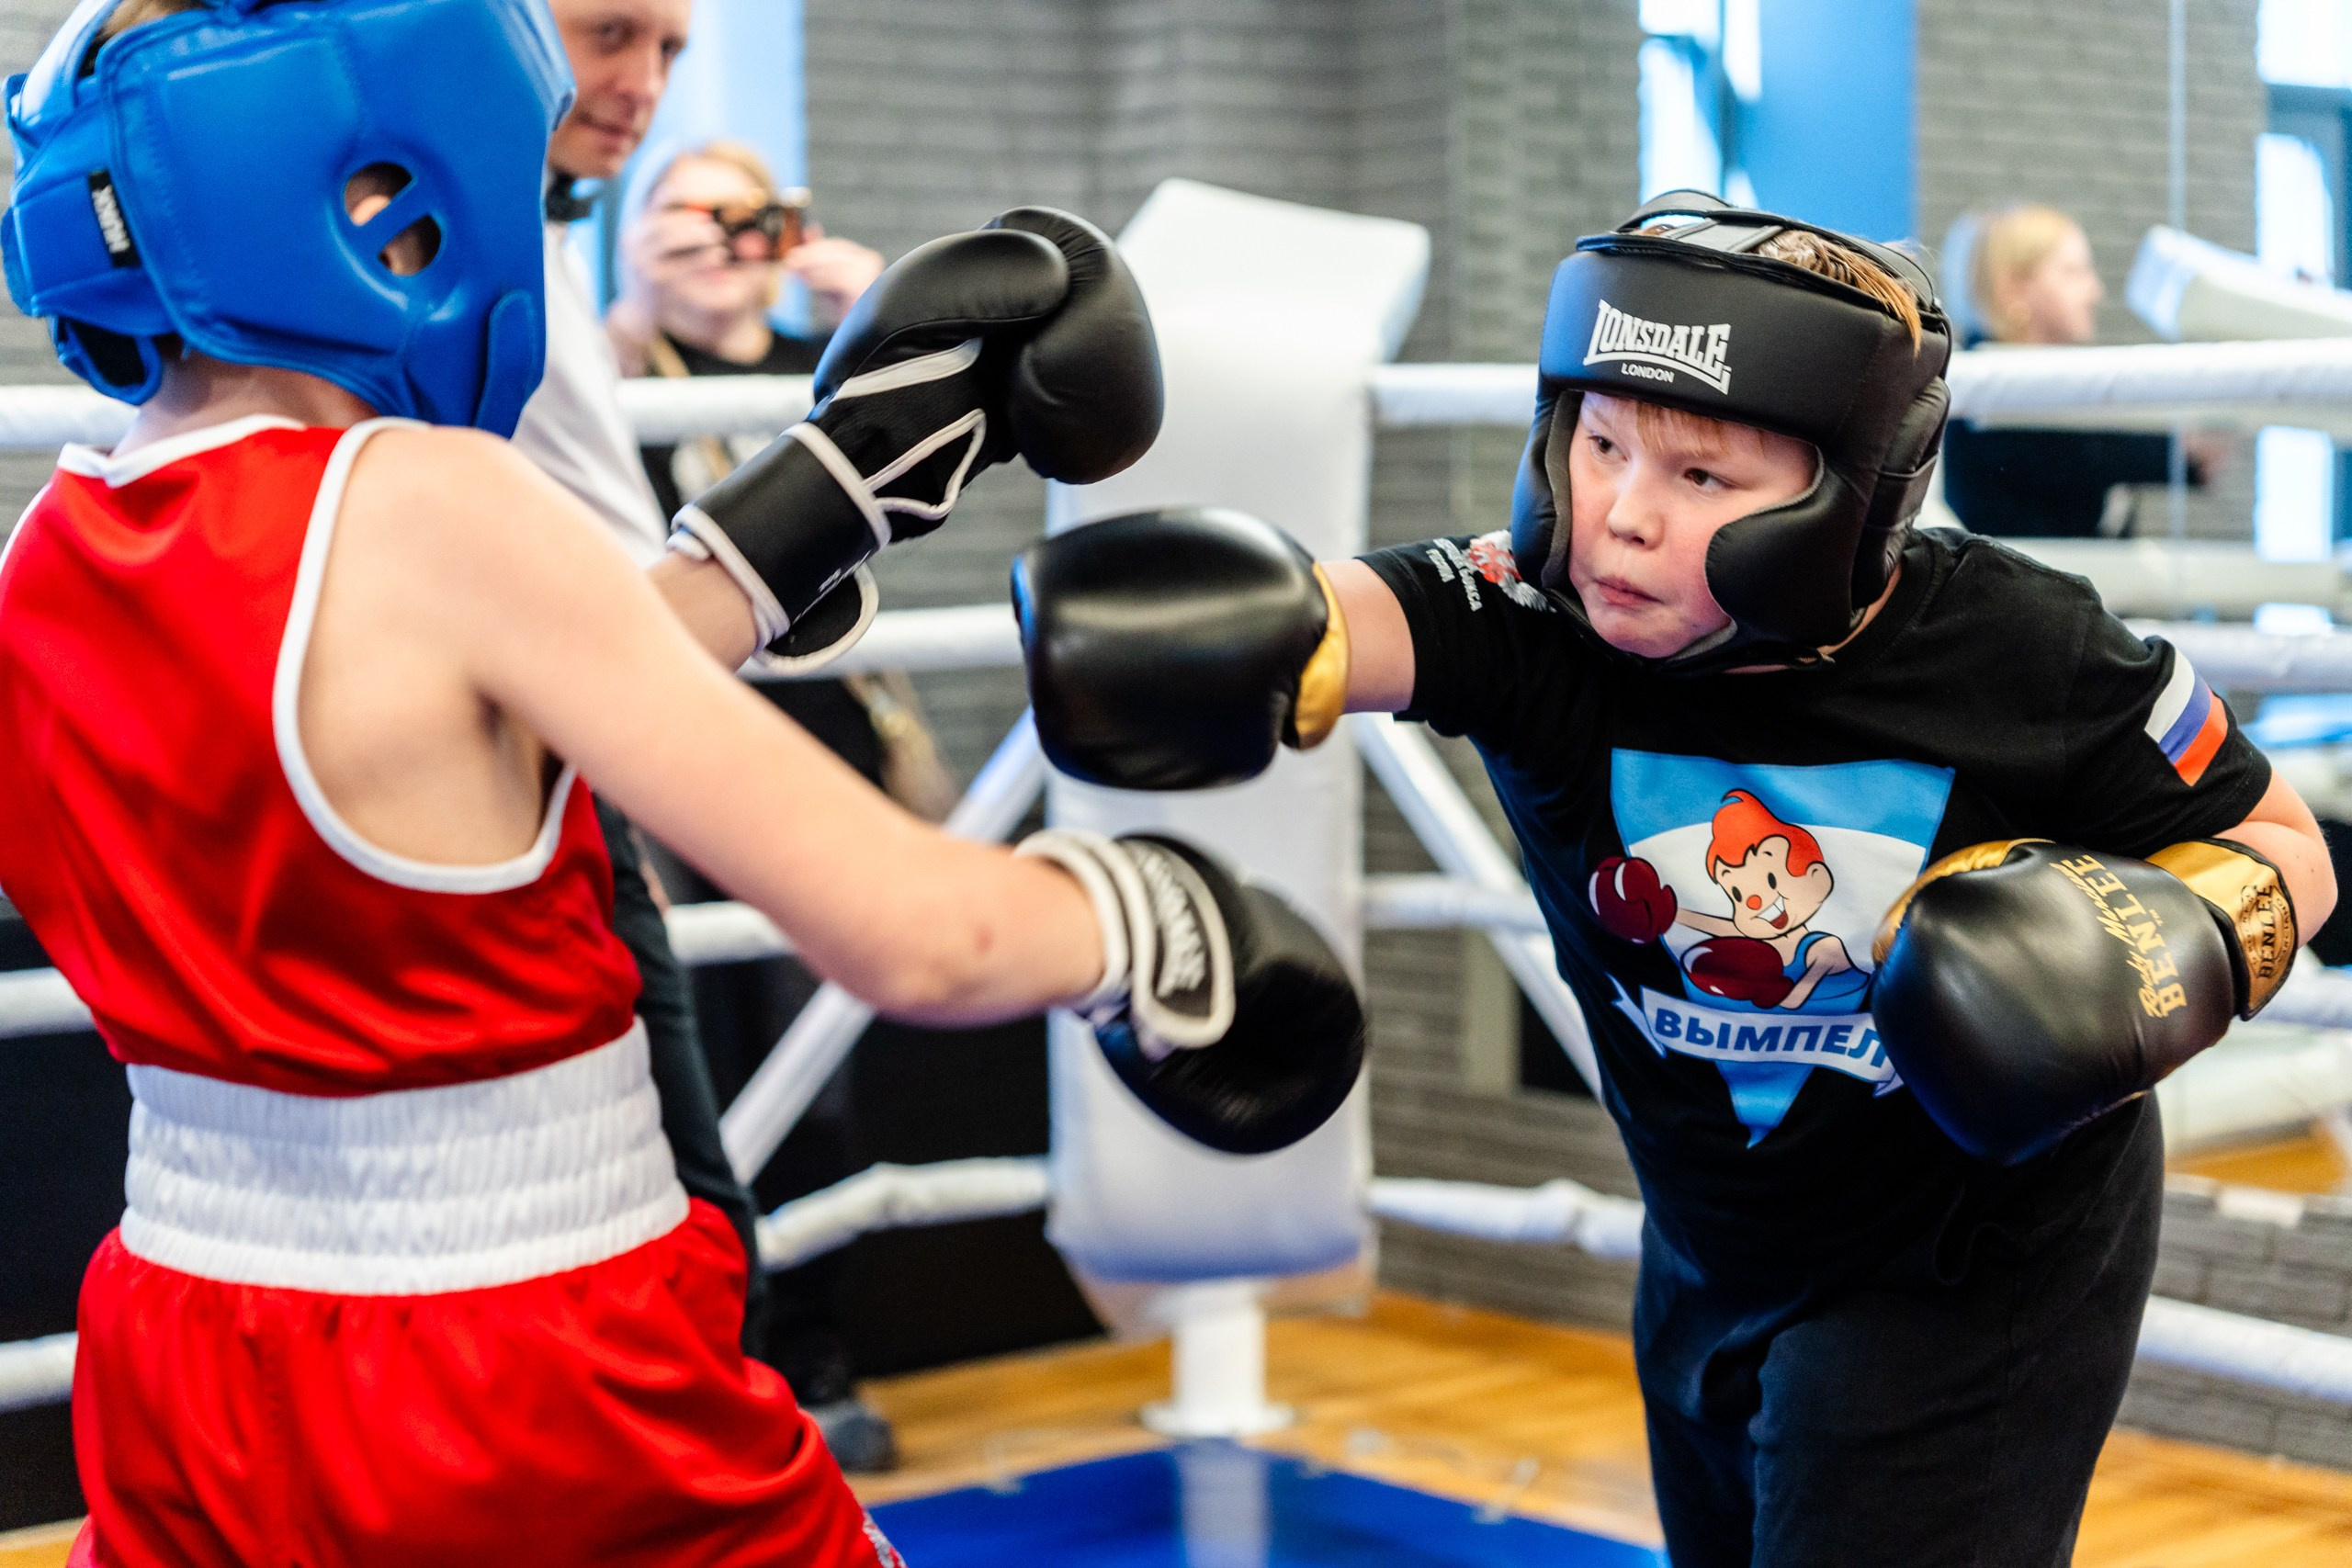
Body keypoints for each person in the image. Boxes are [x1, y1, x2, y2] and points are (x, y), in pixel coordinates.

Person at [0, 1, 1359, 1562]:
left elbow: (440, 726)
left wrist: (828, 493)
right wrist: (1154, 922)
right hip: (526, 1358)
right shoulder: (439, 502)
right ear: (380, 181)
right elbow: (922, 932)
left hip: (189, 1350)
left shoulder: (50, 553)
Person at [1012, 192, 2334, 1566]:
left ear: (1856, 489)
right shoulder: (1537, 617)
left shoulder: (2030, 650)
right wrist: (1215, 629)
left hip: (1975, 1262)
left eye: (1702, 478)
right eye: (1598, 445)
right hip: (1710, 1240)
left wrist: (2151, 945)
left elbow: (2287, 848)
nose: (1621, 519)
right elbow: (1353, 615)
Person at [616, 138, 922, 1471]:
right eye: (683, 217)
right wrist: (628, 289)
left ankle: (814, 1354)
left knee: (819, 1068)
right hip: (669, 760)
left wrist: (877, 305)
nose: (718, 241)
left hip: (821, 746)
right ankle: (702, 1369)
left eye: (743, 215)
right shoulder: (611, 371)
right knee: (690, 1070)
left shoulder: (818, 368)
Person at [1939, 201, 2224, 536]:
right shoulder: (1997, 396)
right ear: (2015, 286)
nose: (2095, 291)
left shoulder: (2015, 386)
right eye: (2073, 272)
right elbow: (2188, 454)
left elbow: (2192, 454)